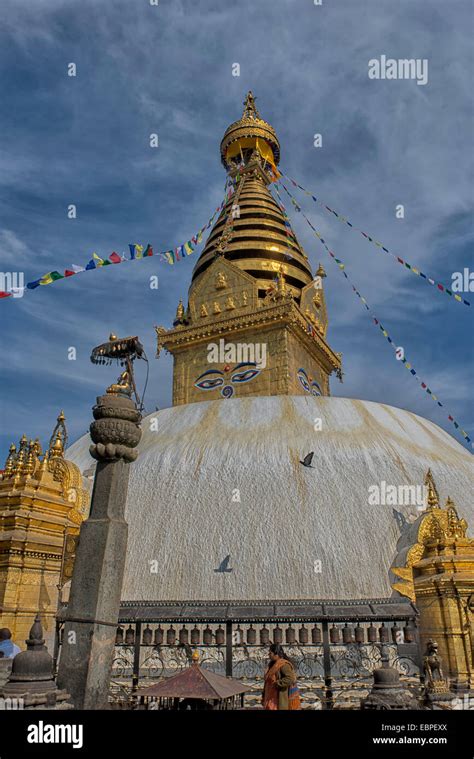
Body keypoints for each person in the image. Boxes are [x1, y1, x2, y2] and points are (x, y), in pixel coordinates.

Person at [262, 643, 301, 710]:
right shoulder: (272, 665)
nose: (269, 655)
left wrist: (277, 683)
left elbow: (290, 678)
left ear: (276, 653)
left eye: (270, 653)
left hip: (278, 699)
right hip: (270, 698)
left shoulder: (284, 665)